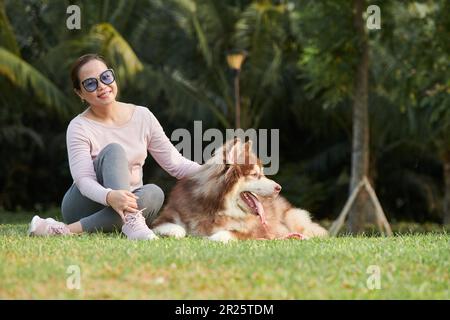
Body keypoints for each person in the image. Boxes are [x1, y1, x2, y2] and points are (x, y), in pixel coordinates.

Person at [28, 54, 200, 240]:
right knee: (114, 151)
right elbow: (83, 180)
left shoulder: (143, 116)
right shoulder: (79, 126)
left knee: (154, 193)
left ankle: (65, 230)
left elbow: (176, 163)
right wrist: (110, 196)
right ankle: (131, 220)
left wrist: (217, 172)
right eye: (91, 84)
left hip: (128, 202)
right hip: (86, 204)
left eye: (105, 77)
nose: (102, 86)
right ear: (80, 93)